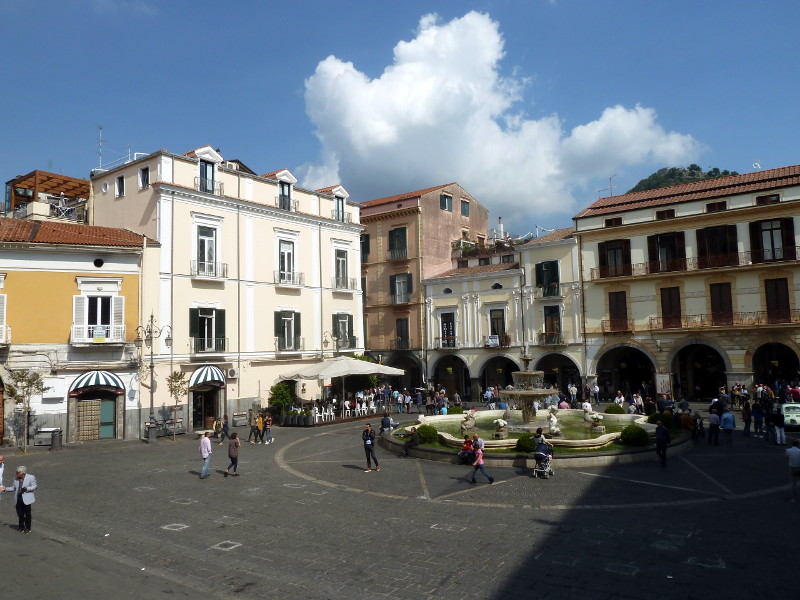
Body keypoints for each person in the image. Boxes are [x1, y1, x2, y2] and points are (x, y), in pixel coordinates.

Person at [7, 466, 37, 533]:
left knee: (27, 514)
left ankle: (28, 527)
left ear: (22, 473)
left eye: (18, 473)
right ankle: (21, 526)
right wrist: (5, 489)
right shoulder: (16, 479)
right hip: (18, 498)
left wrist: (27, 488)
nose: (16, 474)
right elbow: (13, 488)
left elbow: (34, 486)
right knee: (20, 514)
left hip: (27, 499)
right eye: (16, 472)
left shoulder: (30, 477)